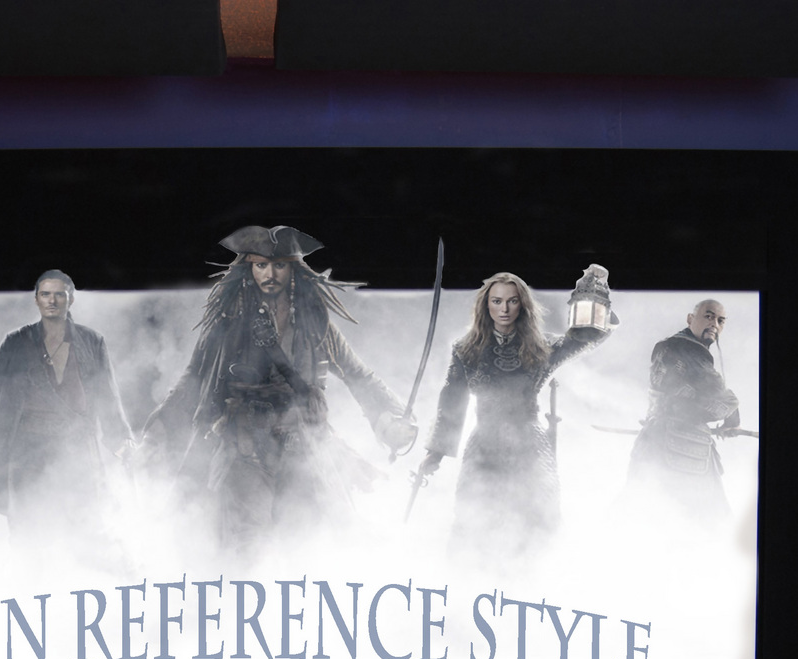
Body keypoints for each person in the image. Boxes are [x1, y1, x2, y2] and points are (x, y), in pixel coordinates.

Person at [142, 225, 414, 558]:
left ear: (293, 269)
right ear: (249, 269)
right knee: (246, 546)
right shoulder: (226, 324)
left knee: (306, 543)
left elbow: (359, 376)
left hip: (303, 446)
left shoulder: (315, 326)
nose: (270, 274)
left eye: (279, 265)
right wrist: (158, 428)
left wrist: (390, 419)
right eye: (261, 265)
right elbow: (193, 377)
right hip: (244, 447)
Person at [419, 271, 616, 559]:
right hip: (483, 446)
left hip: (530, 446)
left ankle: (533, 579)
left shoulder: (542, 347)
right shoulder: (465, 350)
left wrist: (595, 297)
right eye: (497, 301)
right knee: (474, 521)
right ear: (486, 305)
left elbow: (586, 338)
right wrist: (435, 453)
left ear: (522, 305)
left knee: (538, 520)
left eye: (512, 301)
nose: (505, 309)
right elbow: (452, 399)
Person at [0, 270, 133, 552]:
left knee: (82, 529)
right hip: (26, 450)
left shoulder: (92, 342)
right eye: (45, 294)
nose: (52, 301)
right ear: (36, 299)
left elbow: (107, 394)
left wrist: (121, 440)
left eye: (59, 294)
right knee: (26, 531)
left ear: (71, 299)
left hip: (75, 450)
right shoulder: (16, 342)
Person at [625, 298, 742, 523]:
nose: (714, 324)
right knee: (708, 520)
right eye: (708, 316)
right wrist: (732, 422)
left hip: (653, 437)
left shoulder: (667, 346)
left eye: (720, 321)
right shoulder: (688, 349)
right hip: (682, 444)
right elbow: (722, 397)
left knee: (641, 508)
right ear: (690, 319)